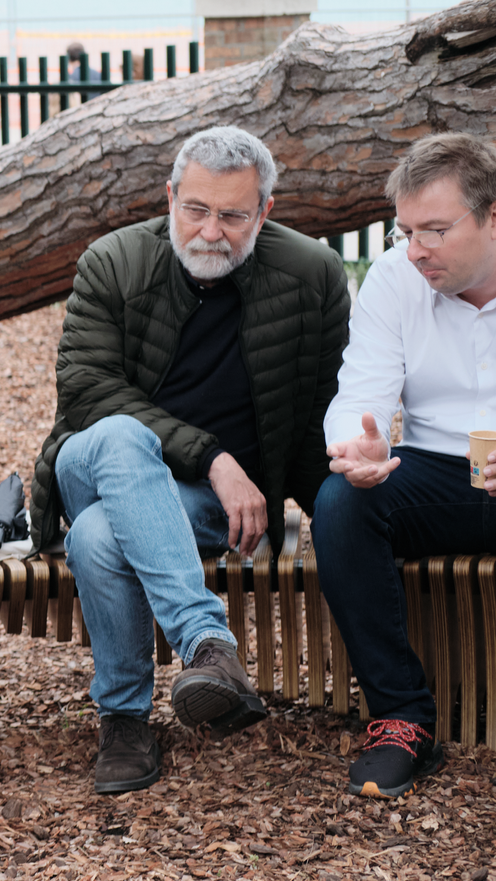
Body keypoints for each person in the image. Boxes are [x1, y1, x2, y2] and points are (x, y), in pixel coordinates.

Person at [27, 125, 350, 795]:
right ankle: (209, 644)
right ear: (169, 196)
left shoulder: (312, 274)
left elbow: (322, 410)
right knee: (121, 439)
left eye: (233, 215)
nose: (211, 231)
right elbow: (86, 392)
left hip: (195, 509)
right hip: (96, 463)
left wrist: (350, 512)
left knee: (97, 538)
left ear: (263, 211)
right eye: (195, 209)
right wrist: (214, 458)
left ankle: (121, 719)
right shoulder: (113, 261)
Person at [316, 132, 496, 798]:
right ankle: (400, 718)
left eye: (436, 230)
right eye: (406, 230)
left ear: (492, 216)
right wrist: (353, 449)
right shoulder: (395, 277)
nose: (416, 248)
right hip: (434, 470)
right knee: (340, 504)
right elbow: (360, 390)